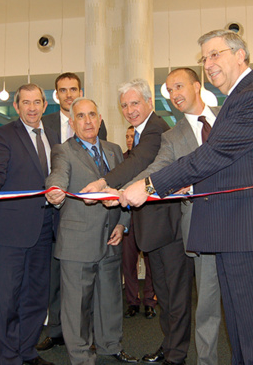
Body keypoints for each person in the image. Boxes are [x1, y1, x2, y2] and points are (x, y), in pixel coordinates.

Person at [121, 29, 253, 364]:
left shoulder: (252, 96)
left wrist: (150, 185)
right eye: (205, 57)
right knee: (242, 335)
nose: (209, 64)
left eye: (216, 54)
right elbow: (228, 165)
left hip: (248, 233)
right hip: (234, 233)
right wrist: (189, 186)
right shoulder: (237, 99)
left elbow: (212, 156)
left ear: (241, 55)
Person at [82, 79, 193, 365]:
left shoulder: (156, 129)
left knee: (176, 296)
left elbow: (139, 163)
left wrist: (106, 183)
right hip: (152, 229)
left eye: (135, 103)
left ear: (148, 103)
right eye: (124, 105)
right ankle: (170, 347)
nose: (130, 110)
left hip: (169, 228)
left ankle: (176, 355)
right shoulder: (142, 131)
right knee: (166, 297)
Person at [123, 68, 223, 365]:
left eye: (179, 86)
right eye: (170, 90)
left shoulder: (227, 115)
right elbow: (158, 169)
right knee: (205, 305)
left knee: (246, 301)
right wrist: (128, 189)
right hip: (199, 225)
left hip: (239, 218)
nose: (175, 94)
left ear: (197, 86)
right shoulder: (172, 135)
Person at [45, 98, 137, 364]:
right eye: (81, 116)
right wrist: (55, 191)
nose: (87, 121)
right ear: (72, 123)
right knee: (77, 304)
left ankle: (110, 346)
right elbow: (58, 176)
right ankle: (81, 356)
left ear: (100, 119)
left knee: (110, 298)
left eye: (92, 115)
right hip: (78, 241)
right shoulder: (63, 150)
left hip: (112, 236)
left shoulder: (115, 149)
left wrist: (123, 223)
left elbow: (126, 187)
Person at [0, 84, 58, 365]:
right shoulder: (5, 134)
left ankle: (27, 350)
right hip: (12, 228)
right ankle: (8, 357)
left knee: (36, 295)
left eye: (37, 102)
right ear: (17, 106)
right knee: (8, 298)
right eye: (26, 102)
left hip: (45, 226)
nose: (32, 108)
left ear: (45, 105)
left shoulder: (53, 136)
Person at [37, 72, 106, 352]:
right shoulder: (46, 123)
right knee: (56, 278)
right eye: (62, 90)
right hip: (49, 209)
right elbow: (52, 169)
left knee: (83, 281)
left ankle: (84, 334)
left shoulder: (93, 123)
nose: (68, 94)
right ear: (56, 95)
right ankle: (56, 331)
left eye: (73, 89)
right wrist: (53, 191)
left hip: (81, 215)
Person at [122, 125, 157, 319]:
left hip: (149, 216)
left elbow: (155, 186)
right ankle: (132, 301)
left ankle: (149, 301)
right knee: (128, 262)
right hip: (128, 218)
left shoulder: (152, 160)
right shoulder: (122, 160)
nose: (129, 139)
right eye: (127, 136)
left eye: (133, 136)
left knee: (151, 262)